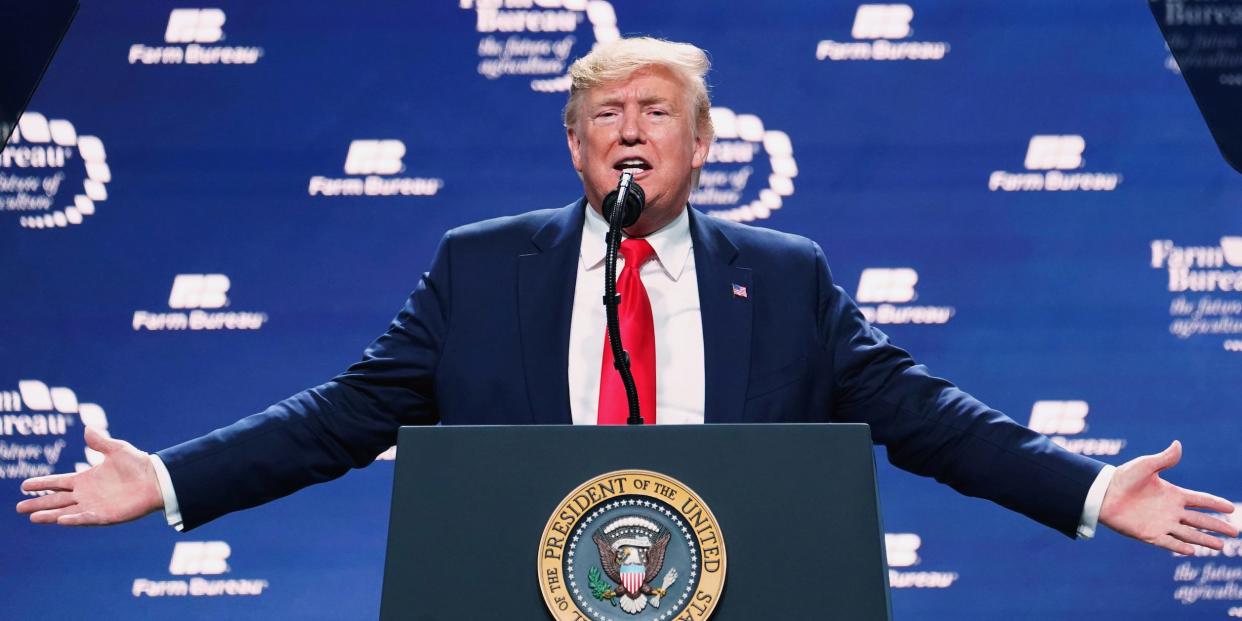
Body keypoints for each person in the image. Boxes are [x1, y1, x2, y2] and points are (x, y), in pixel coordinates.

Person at [16, 38, 1237, 554]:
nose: (631, 130)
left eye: (659, 112)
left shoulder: (787, 276)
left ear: (704, 149)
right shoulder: (481, 266)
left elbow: (927, 419)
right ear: (575, 147)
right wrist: (168, 478)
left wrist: (1084, 489)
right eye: (607, 114)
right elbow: (344, 415)